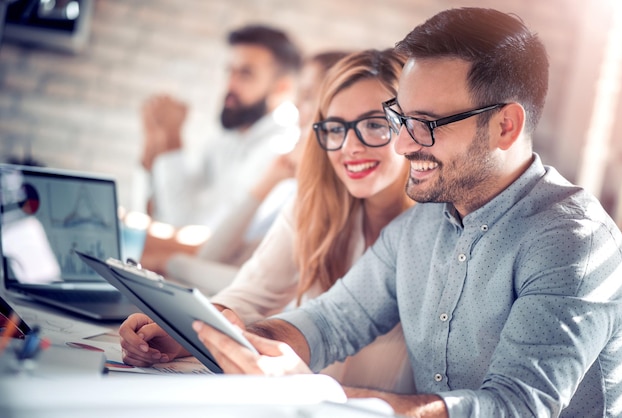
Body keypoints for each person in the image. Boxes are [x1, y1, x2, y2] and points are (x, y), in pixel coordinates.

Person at [187, 8, 622, 418]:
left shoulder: (572, 243)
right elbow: (330, 322)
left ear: (505, 126)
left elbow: (514, 407)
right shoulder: (420, 225)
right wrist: (213, 336)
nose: (402, 144)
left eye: (428, 124)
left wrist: (314, 391)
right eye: (401, 119)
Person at [119, 49, 418, 393]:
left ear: (411, 128)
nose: (349, 146)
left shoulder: (434, 231)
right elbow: (251, 295)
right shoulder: (315, 206)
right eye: (335, 128)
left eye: (375, 125)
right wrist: (178, 332)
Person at [148, 51, 350, 294]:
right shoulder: (289, 177)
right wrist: (269, 181)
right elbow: (216, 257)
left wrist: (170, 263)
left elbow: (269, 290)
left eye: (307, 97)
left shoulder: (332, 193)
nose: (296, 107)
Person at [137, 24, 302, 230]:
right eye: (230, 72)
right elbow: (158, 212)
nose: (230, 85)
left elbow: (190, 227)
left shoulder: (279, 149)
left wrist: (171, 136)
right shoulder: (229, 136)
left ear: (282, 87)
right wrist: (154, 141)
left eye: (245, 74)